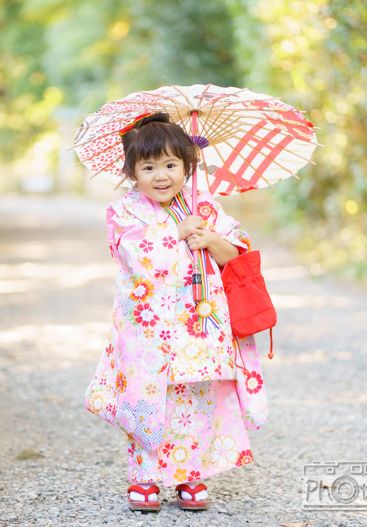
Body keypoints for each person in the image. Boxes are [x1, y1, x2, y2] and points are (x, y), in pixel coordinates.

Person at [85, 113, 268, 512]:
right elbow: (135, 257)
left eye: (171, 164)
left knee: (196, 395)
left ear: (188, 165)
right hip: (147, 326)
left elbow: (236, 255)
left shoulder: (205, 206)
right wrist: (178, 234)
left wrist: (209, 237)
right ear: (132, 172)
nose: (161, 175)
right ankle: (145, 475)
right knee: (149, 396)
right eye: (148, 166)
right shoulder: (124, 213)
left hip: (199, 323)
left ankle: (189, 473)